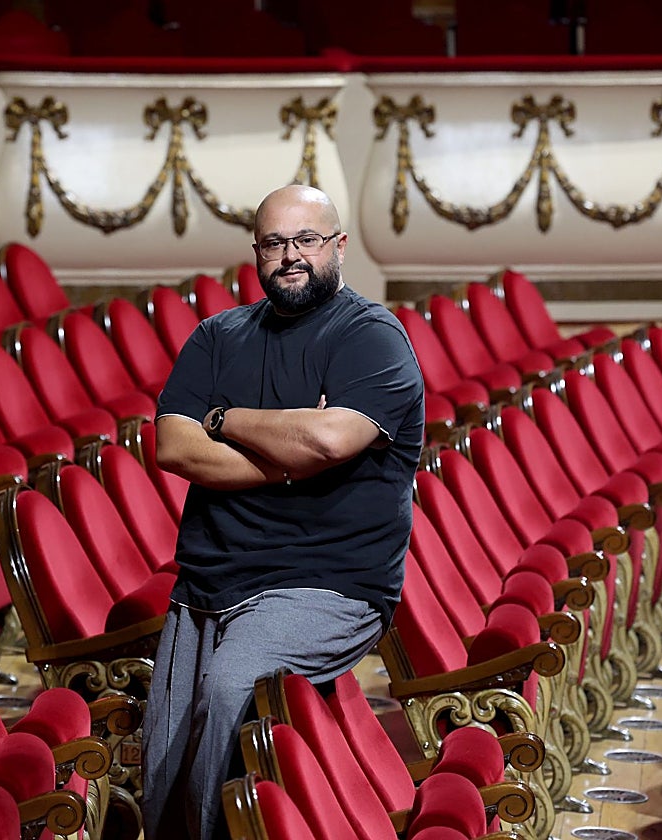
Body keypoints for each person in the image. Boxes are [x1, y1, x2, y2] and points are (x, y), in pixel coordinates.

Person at [140, 184, 425, 839]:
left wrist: (225, 417)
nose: (291, 255)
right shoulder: (218, 337)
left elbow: (329, 439)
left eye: (306, 240)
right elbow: (176, 448)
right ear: (256, 252)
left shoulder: (372, 337)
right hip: (209, 582)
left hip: (327, 582)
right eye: (275, 243)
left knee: (231, 686)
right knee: (164, 768)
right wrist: (287, 456)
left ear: (338, 247)